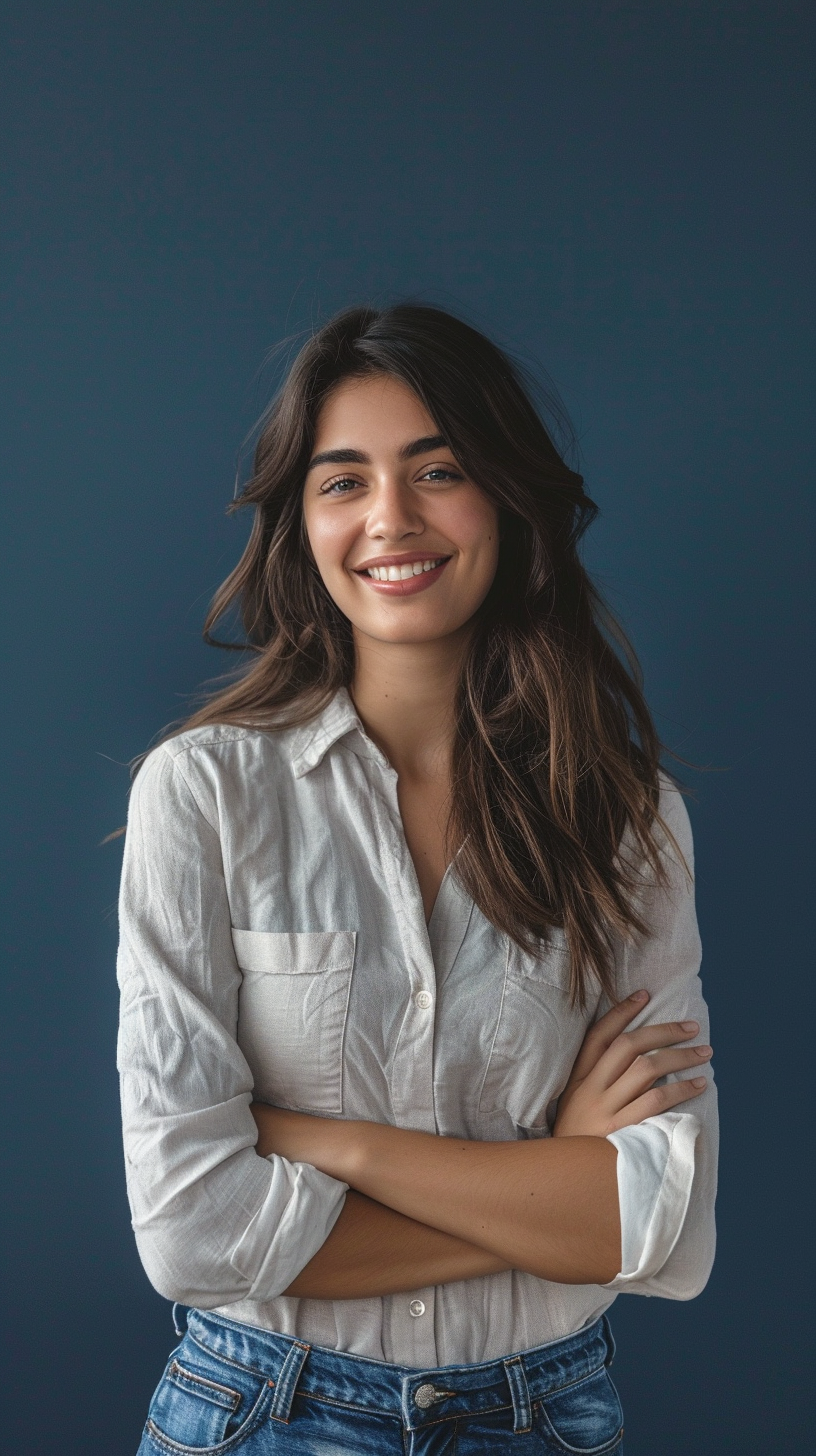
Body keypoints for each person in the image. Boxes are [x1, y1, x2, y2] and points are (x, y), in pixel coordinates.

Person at [117, 303, 717, 1455]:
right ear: (303, 522)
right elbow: (190, 1230)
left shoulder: (631, 821)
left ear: (505, 496)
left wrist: (328, 1143)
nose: (391, 518)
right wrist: (554, 1201)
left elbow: (665, 1221)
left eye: (438, 469)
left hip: (546, 1418)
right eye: (344, 481)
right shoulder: (204, 795)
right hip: (265, 1413)